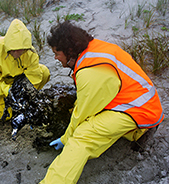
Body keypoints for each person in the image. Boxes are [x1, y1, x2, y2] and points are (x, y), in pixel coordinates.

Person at [41, 21, 164, 183]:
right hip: (138, 101)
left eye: (57, 53)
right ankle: (137, 132)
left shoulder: (90, 72)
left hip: (138, 110)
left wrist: (66, 139)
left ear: (70, 50)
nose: (55, 58)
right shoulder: (94, 48)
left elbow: (82, 115)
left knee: (82, 137)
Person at [0, 18, 50, 121]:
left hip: (20, 81)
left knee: (44, 72)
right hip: (1, 83)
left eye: (22, 50)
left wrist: (26, 95)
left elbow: (34, 77)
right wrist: (8, 91)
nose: (19, 53)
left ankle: (22, 102)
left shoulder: (30, 52)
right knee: (3, 115)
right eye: (15, 50)